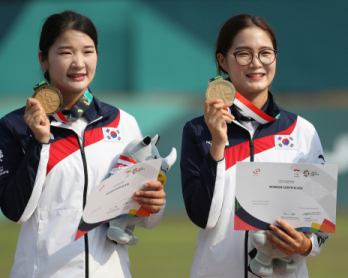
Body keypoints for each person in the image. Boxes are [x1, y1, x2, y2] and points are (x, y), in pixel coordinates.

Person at [0, 11, 166, 278]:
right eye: (65, 52)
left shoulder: (122, 122)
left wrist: (154, 205)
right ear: (43, 58)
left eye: (88, 51)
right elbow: (16, 211)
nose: (78, 62)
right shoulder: (14, 126)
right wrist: (40, 142)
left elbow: (142, 215)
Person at [181, 14, 329, 278]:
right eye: (243, 54)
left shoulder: (302, 131)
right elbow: (203, 218)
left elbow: (321, 220)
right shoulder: (197, 130)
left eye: (265, 53)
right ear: (222, 61)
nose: (256, 63)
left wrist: (306, 245)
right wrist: (218, 144)